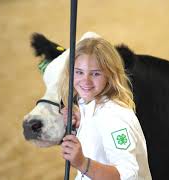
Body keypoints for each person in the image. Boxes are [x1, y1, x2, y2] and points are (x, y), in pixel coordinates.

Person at [59, 33, 152, 180]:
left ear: (110, 75)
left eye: (95, 74)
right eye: (79, 72)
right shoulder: (87, 103)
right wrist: (81, 122)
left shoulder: (114, 117)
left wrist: (83, 163)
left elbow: (128, 175)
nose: (86, 81)